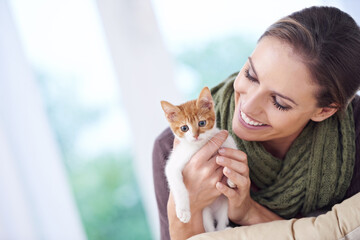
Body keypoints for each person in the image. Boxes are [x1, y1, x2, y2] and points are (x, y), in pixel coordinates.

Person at [152, 6, 360, 240]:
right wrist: (186, 207)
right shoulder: (171, 147)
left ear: (324, 111)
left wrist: (249, 212)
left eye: (279, 102)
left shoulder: (354, 137)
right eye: (250, 75)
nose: (248, 107)